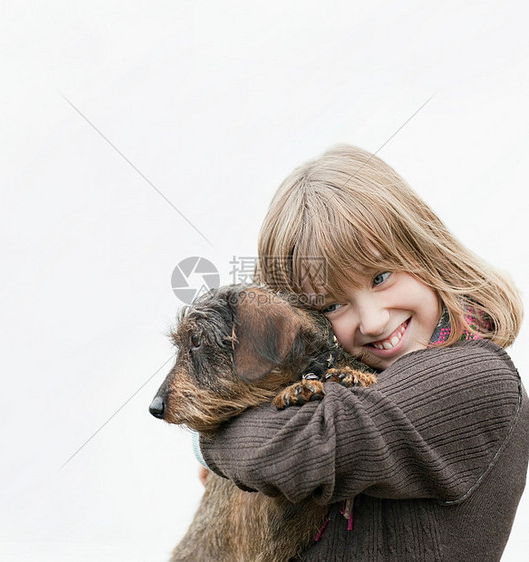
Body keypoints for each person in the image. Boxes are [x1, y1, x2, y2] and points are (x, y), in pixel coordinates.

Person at [198, 145, 529, 561]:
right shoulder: (352, 383)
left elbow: (296, 451)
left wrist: (208, 439)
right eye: (332, 305)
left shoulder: (477, 376)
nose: (372, 321)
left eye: (381, 276)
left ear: (427, 250)